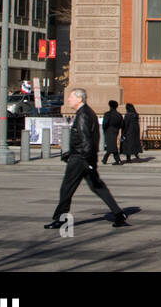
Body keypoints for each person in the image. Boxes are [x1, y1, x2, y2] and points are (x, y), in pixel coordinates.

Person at [45, 88, 128, 230]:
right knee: (98, 187)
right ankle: (119, 214)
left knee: (67, 188)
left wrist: (78, 156)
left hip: (80, 159)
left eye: (71, 97)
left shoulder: (83, 115)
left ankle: (61, 219)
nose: (68, 100)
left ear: (79, 99)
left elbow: (86, 140)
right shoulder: (87, 112)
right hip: (86, 158)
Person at [101, 100, 123, 166]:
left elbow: (105, 123)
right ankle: (115, 159)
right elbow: (121, 124)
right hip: (115, 131)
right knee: (112, 145)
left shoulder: (108, 114)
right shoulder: (119, 115)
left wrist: (105, 129)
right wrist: (117, 129)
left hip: (109, 130)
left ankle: (107, 159)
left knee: (111, 146)